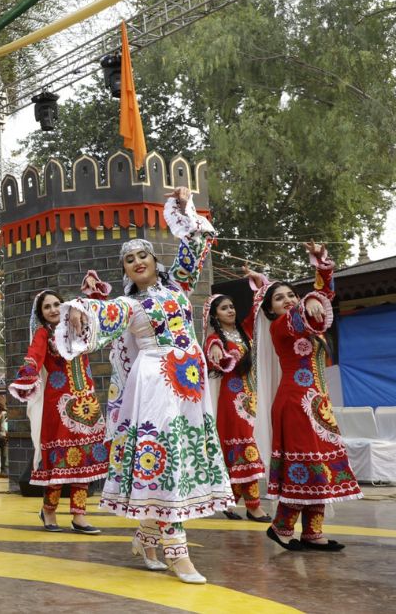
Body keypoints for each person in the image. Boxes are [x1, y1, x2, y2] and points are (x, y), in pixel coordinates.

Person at [57, 186, 232, 585]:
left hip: (189, 383)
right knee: (165, 458)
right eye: (129, 259)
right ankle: (177, 552)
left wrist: (184, 208)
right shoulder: (131, 305)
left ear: (156, 261)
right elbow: (104, 311)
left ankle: (145, 537)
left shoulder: (179, 289)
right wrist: (82, 311)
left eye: (142, 255)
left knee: (183, 456)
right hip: (155, 381)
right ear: (125, 270)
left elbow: (198, 242)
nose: (136, 261)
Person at [248, 243, 361, 552]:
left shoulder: (307, 322)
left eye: (291, 295)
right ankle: (282, 527)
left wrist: (323, 265)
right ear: (270, 309)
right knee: (305, 465)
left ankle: (313, 532)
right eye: (279, 297)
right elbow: (313, 304)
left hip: (317, 404)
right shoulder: (281, 326)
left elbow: (323, 301)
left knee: (321, 465)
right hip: (295, 404)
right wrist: (309, 299)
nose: (288, 300)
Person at [7, 275, 111, 535]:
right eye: (47, 307)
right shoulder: (43, 334)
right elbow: (33, 356)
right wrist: (26, 375)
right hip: (58, 406)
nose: (53, 309)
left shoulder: (79, 325)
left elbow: (103, 314)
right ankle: (50, 510)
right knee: (58, 461)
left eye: (56, 304)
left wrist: (90, 294)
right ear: (41, 314)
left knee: (85, 461)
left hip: (86, 400)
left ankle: (79, 515)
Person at [202, 294, 271, 522]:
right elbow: (212, 352)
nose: (230, 311)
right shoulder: (215, 339)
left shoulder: (245, 333)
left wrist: (259, 285)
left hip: (252, 399)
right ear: (214, 315)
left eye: (232, 306)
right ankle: (254, 506)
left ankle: (230, 500)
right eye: (224, 308)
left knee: (247, 449)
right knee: (245, 450)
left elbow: (257, 310)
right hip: (232, 402)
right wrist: (214, 351)